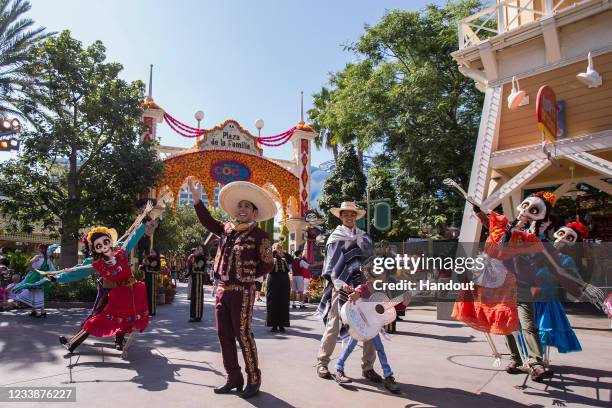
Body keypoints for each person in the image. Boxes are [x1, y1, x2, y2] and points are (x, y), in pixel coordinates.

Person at [189, 178, 275, 399]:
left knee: (243, 334)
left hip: (243, 292)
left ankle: (254, 378)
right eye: (241, 205)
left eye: (248, 206)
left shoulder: (260, 236)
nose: (243, 209)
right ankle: (233, 377)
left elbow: (267, 264)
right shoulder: (226, 229)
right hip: (222, 289)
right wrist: (197, 200)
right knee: (223, 334)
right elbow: (208, 222)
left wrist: (250, 278)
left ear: (255, 213)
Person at [315, 201, 380, 383]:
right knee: (334, 325)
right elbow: (331, 265)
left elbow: (371, 262)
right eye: (346, 215)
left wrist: (369, 282)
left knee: (370, 326)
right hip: (341, 286)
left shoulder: (365, 237)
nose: (349, 217)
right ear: (341, 217)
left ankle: (368, 367)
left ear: (356, 217)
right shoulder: (335, 237)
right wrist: (340, 284)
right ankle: (322, 362)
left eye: (352, 214)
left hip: (363, 287)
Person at [336, 267, 401, 394]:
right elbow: (358, 292)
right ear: (369, 277)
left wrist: (403, 301)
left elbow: (390, 307)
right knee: (350, 346)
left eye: (383, 276)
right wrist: (355, 295)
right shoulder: (364, 288)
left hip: (373, 326)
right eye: (377, 276)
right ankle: (339, 368)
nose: (380, 279)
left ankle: (388, 376)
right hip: (360, 325)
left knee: (380, 349)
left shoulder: (383, 292)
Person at [12, 244, 58, 318]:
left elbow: (29, 264)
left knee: (37, 293)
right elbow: (51, 269)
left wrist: (32, 268)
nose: (38, 249)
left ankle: (42, 312)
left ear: (40, 249)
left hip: (36, 277)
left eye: (39, 248)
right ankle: (34, 310)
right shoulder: (47, 259)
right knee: (34, 293)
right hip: (43, 277)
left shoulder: (38, 257)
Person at [266, 242, 291, 332]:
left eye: (280, 247)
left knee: (283, 302)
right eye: (277, 247)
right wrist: (273, 252)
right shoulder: (271, 255)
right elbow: (266, 262)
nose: (279, 248)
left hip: (284, 280)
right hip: (273, 280)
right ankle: (273, 325)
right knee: (272, 302)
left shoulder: (285, 256)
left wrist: (283, 252)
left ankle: (282, 324)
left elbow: (291, 260)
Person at [187, 244, 207, 322]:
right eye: (197, 248)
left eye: (200, 249)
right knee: (193, 296)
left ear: (203, 251)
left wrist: (193, 261)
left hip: (199, 279)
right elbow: (191, 268)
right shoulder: (194, 257)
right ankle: (192, 315)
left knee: (198, 296)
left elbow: (198, 267)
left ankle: (197, 316)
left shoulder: (202, 258)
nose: (197, 250)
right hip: (194, 278)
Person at [143, 248, 161, 317]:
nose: (151, 253)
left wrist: (145, 259)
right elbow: (145, 265)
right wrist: (142, 266)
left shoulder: (156, 260)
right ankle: (147, 310)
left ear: (156, 253)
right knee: (147, 294)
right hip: (147, 278)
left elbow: (151, 265)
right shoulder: (149, 258)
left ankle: (152, 311)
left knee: (152, 294)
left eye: (153, 252)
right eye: (150, 252)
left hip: (152, 278)